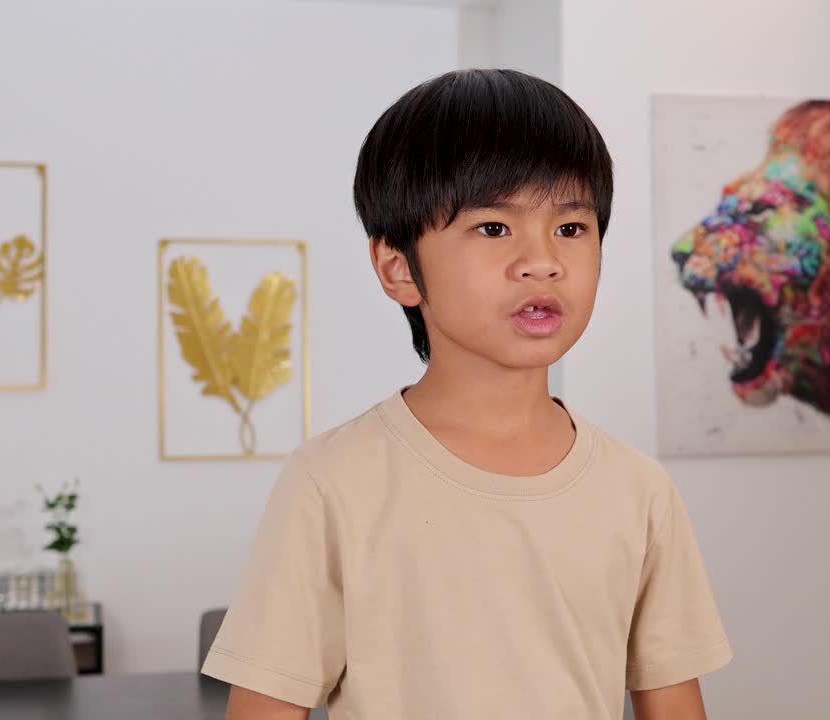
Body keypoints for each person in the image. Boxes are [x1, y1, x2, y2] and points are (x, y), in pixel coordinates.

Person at [201, 68, 731, 720]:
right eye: (493, 228)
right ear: (399, 269)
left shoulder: (639, 492)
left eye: (570, 228)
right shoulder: (332, 483)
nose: (542, 261)